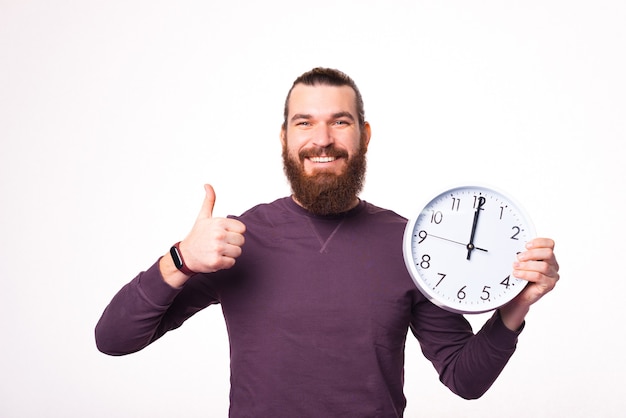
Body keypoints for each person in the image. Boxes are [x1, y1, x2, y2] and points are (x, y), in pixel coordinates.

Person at [95, 67, 560, 417]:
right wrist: (180, 260)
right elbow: (113, 340)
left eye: (340, 122)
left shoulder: (412, 244)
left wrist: (515, 307)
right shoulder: (234, 240)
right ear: (284, 138)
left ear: (364, 135)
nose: (322, 140)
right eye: (304, 123)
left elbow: (464, 378)